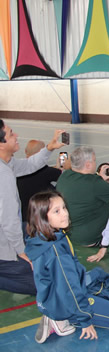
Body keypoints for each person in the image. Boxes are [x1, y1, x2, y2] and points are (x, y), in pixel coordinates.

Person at [25, 191, 109, 343]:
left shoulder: (47, 236)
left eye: (64, 208)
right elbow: (69, 289)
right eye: (57, 211)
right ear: (42, 218)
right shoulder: (56, 253)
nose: (65, 214)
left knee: (102, 282)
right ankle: (61, 319)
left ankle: (58, 312)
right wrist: (84, 320)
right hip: (63, 302)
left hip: (55, 295)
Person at [0, 120, 65, 295]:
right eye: (11, 133)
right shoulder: (3, 175)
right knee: (44, 285)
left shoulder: (6, 163)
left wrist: (49, 148)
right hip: (3, 244)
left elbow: (29, 165)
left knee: (30, 228)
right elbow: (8, 220)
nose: (16, 136)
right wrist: (21, 253)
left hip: (7, 232)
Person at [55, 147, 109, 246]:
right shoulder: (95, 183)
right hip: (92, 238)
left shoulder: (65, 175)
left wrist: (100, 179)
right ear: (88, 165)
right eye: (94, 160)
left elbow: (84, 189)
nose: (95, 163)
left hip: (69, 234)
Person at [17, 140, 63, 224]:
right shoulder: (44, 170)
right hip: (41, 218)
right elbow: (62, 176)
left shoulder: (18, 168)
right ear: (40, 154)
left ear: (25, 151)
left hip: (23, 217)